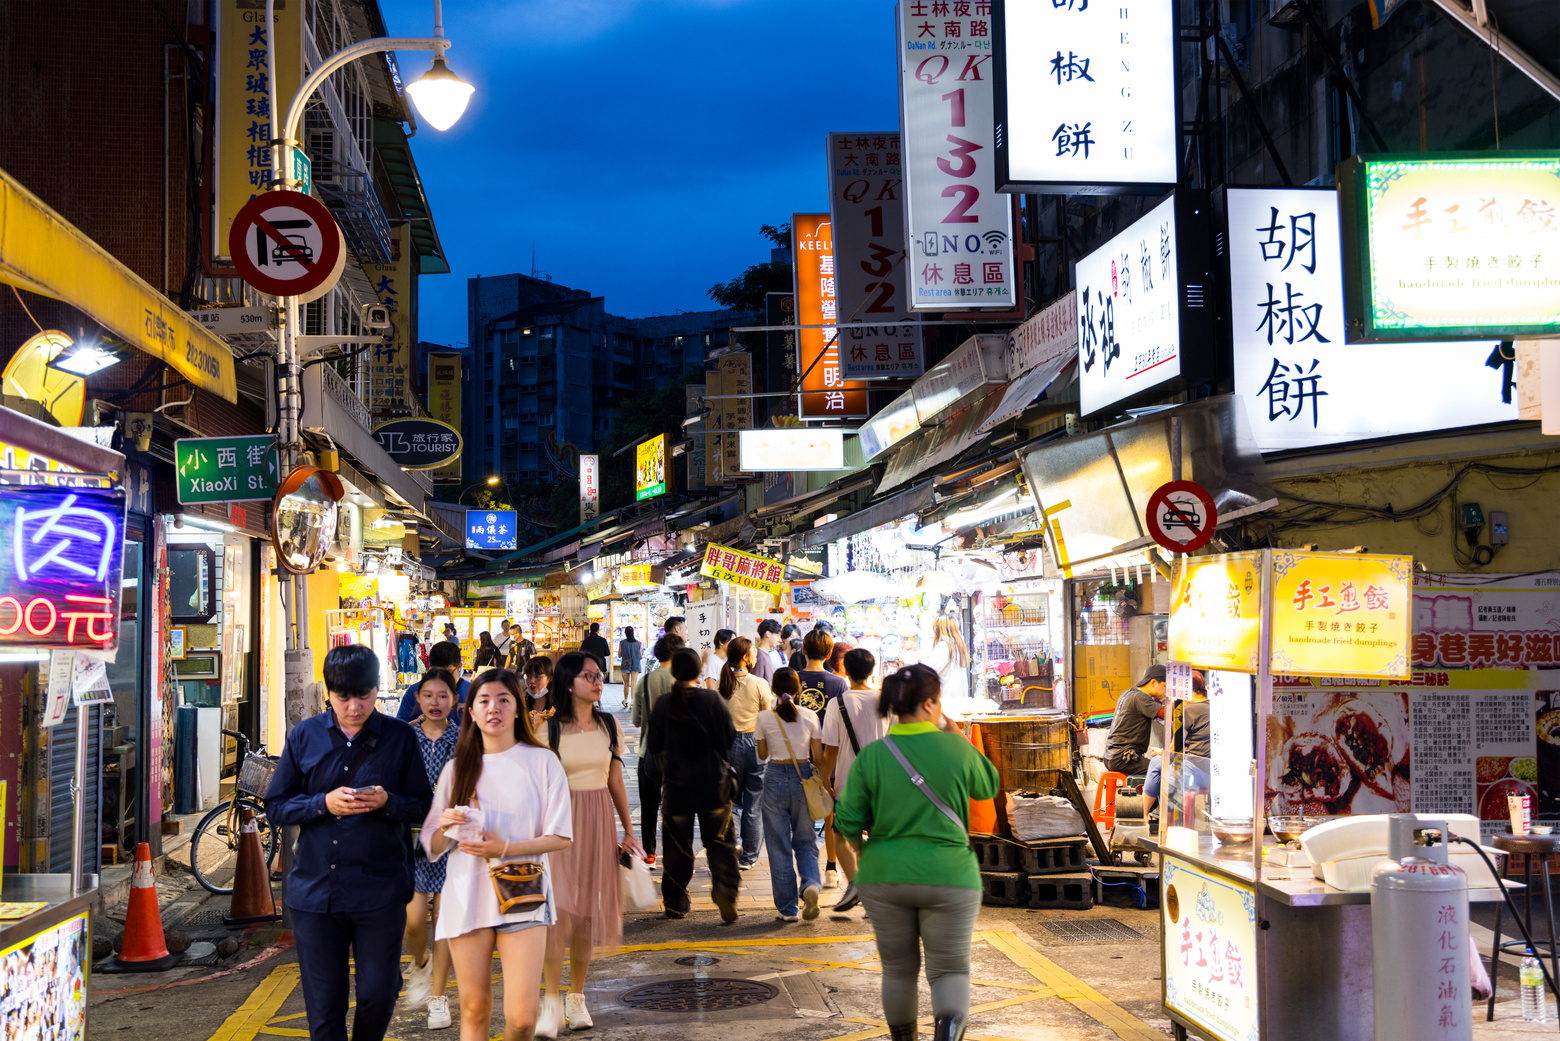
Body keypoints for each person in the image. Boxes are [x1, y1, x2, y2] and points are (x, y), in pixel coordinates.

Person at [265, 644, 434, 1041]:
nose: (354, 706)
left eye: (364, 695)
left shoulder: (399, 738)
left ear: (377, 689)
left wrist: (387, 801)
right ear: (329, 691)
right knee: (324, 1008)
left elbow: (424, 806)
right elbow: (276, 806)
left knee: (378, 993)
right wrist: (322, 803)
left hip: (379, 890)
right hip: (315, 892)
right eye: (344, 697)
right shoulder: (304, 736)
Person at [834, 664, 1000, 1041]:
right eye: (939, 702)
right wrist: (956, 733)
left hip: (884, 876)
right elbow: (988, 786)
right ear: (928, 704)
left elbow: (846, 821)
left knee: (897, 970)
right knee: (950, 970)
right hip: (950, 876)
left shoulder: (874, 755)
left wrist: (863, 854)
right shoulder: (955, 747)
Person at [421, 669, 572, 1041]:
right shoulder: (456, 771)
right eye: (484, 701)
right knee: (474, 1009)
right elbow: (434, 846)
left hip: (522, 892)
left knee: (522, 1018)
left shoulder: (543, 762)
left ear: (518, 709)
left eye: (504, 700)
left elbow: (560, 836)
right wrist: (447, 825)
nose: (494, 709)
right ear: (470, 712)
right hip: (465, 895)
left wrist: (503, 848)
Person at [537, 652, 644, 1036]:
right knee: (558, 914)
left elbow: (615, 781)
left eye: (599, 675)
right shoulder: (546, 730)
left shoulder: (609, 724)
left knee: (585, 912)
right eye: (589, 676)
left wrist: (628, 831)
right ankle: (550, 1000)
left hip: (598, 820)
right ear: (569, 683)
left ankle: (576, 996)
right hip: (559, 825)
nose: (598, 681)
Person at [644, 647, 741, 922]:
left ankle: (675, 903)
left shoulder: (664, 704)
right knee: (720, 843)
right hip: (715, 786)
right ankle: (725, 890)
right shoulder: (712, 699)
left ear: (673, 671)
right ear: (700, 672)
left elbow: (654, 746)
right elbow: (729, 737)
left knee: (677, 848)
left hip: (677, 788)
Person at [403, 669, 461, 1030]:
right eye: (428, 695)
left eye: (443, 696)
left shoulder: (465, 738)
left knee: (445, 921)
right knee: (413, 919)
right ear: (418, 698)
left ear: (454, 700)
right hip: (413, 839)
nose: (435, 702)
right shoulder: (404, 736)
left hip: (453, 840)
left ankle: (438, 998)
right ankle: (420, 962)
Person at [820, 648, 892, 913]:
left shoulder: (837, 704)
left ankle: (855, 883)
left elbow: (831, 751)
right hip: (883, 783)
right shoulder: (888, 702)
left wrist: (825, 783)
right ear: (872, 671)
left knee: (841, 835)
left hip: (849, 784)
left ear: (844, 670)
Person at [754, 668, 823, 922]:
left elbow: (762, 755)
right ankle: (811, 885)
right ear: (799, 689)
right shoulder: (810, 715)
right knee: (806, 841)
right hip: (804, 777)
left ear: (772, 690)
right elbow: (818, 755)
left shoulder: (763, 717)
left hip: (774, 778)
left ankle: (787, 908)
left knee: (778, 844)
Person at [718, 636, 773, 869]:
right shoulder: (759, 683)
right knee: (754, 803)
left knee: (728, 801)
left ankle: (731, 847)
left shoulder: (723, 684)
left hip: (728, 746)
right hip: (755, 745)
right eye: (752, 651)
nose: (756, 654)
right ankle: (749, 857)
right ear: (744, 656)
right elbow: (767, 720)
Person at [630, 634, 683, 866]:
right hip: (677, 755)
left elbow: (637, 720)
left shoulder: (645, 680)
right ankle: (676, 853)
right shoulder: (682, 681)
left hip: (648, 753)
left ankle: (649, 854)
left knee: (649, 806)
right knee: (676, 807)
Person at [1145, 671, 1209, 818]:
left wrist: (1160, 752)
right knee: (1163, 765)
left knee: (1156, 763)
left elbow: (1174, 750)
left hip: (1195, 772)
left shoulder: (1187, 711)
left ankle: (1145, 816)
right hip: (1214, 771)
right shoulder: (1214, 706)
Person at [1103, 664, 1167, 776]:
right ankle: (1150, 794)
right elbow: (1168, 714)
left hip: (1110, 756)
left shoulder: (1128, 694)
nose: (1167, 692)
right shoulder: (1141, 698)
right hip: (1124, 759)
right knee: (1164, 770)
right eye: (1165, 687)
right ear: (1153, 683)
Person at [397, 643, 472, 721]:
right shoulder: (414, 691)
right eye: (436, 672)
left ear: (459, 666)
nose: (442, 678)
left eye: (448, 673)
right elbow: (399, 728)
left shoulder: (472, 691)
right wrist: (416, 724)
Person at [796, 629, 848, 715]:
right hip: (828, 729)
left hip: (796, 729)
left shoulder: (790, 678)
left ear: (803, 650)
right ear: (829, 655)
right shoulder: (839, 683)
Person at [924, 618, 971, 703]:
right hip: (959, 699)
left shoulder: (943, 646)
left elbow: (928, 670)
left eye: (934, 629)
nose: (934, 632)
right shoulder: (958, 645)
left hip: (947, 700)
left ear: (939, 629)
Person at [617, 626, 643, 706]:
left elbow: (619, 655)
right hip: (635, 664)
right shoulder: (638, 643)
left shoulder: (622, 643)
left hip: (625, 665)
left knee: (626, 683)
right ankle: (632, 702)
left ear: (625, 633)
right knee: (634, 683)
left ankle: (625, 700)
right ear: (633, 633)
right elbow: (641, 656)